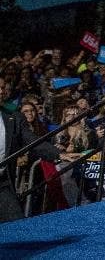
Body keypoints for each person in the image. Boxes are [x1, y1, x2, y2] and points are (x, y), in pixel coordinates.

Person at [1, 79, 65, 222]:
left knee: (16, 225)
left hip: (3, 182)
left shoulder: (14, 117)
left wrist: (59, 154)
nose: (1, 91)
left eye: (2, 87)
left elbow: (33, 141)